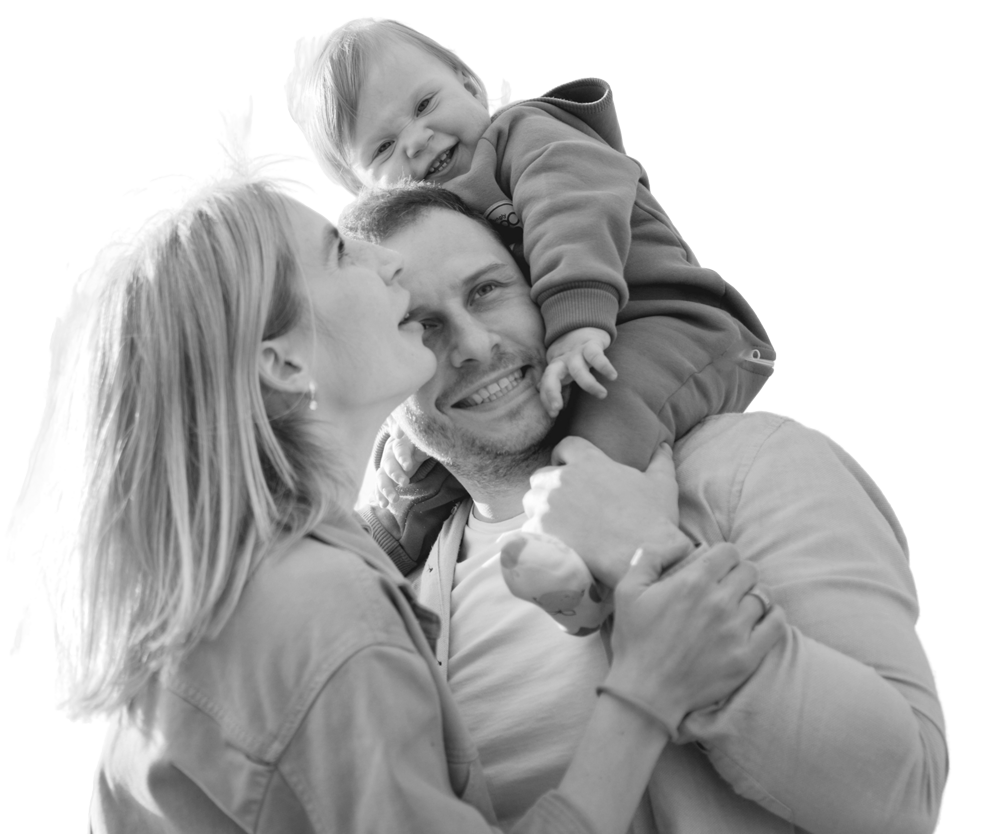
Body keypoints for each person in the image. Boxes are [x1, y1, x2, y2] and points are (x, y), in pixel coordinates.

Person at [8, 107, 785, 833]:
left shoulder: (244, 592)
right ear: (280, 361)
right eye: (340, 251)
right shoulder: (319, 618)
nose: (385, 262)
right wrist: (647, 693)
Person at [337, 182, 951, 834]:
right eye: (420, 325)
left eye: (488, 290)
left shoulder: (753, 464)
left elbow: (903, 799)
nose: (475, 345)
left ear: (546, 288)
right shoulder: (397, 600)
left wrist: (653, 557)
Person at [284, 18, 778, 624]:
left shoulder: (530, 136)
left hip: (666, 323)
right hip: (583, 337)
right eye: (382, 147)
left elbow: (573, 209)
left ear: (472, 84)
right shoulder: (435, 227)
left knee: (607, 420)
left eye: (425, 103)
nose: (416, 139)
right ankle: (379, 549)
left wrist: (574, 317)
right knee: (423, 443)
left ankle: (582, 570)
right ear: (354, 188)